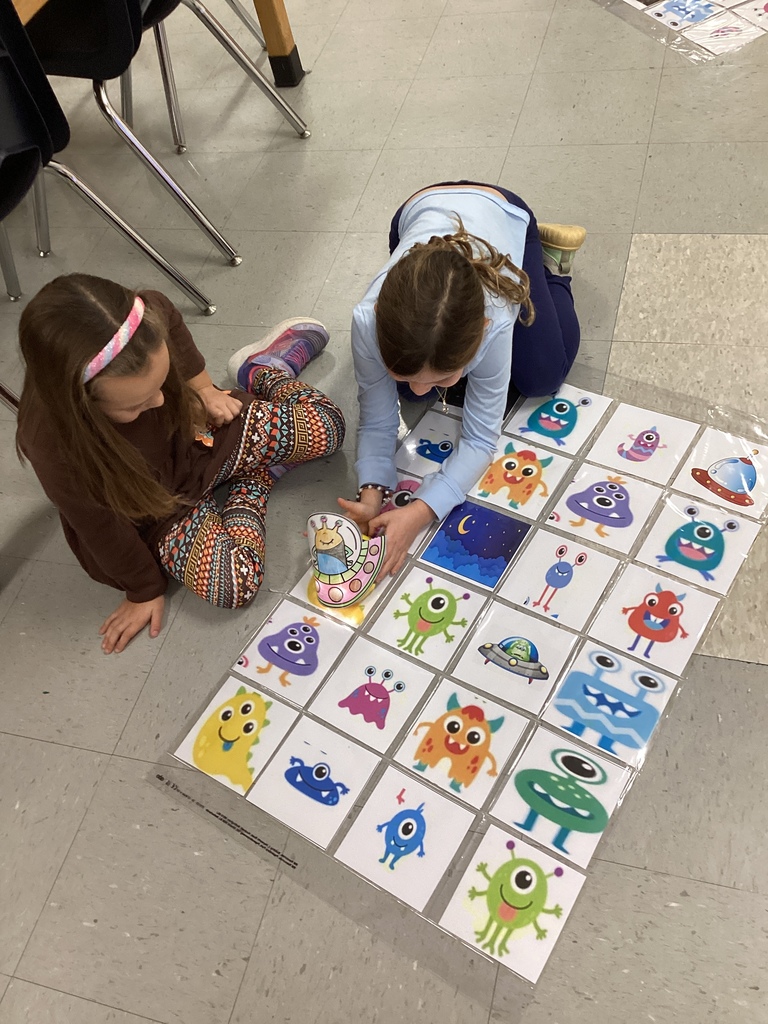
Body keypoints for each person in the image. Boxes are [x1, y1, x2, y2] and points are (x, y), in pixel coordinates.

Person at [16, 274, 344, 654]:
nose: (157, 402)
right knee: (234, 584)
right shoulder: (53, 446)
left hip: (201, 435)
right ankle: (253, 481)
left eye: (161, 383)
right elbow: (100, 528)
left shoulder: (145, 319)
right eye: (136, 405)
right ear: (82, 404)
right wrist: (143, 589)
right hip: (157, 508)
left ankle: (262, 370)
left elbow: (166, 312)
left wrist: (202, 390)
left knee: (329, 428)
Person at [339, 180, 585, 577]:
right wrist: (371, 492)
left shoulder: (497, 319)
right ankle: (426, 366)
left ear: (482, 331)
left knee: (542, 376)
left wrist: (421, 512)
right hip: (415, 211)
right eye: (399, 369)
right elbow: (377, 417)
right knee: (412, 385)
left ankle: (550, 270)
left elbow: (480, 438)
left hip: (505, 213)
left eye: (447, 373)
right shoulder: (367, 320)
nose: (420, 390)